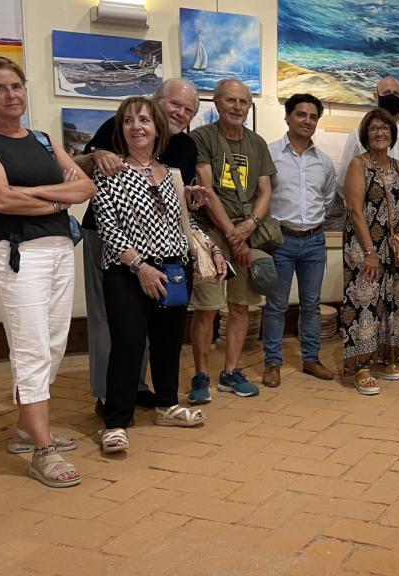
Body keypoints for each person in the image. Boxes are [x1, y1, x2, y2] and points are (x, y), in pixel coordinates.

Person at [0, 56, 95, 487]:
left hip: (57, 247)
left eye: (16, 86)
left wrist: (36, 193)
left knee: (54, 341)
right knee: (31, 344)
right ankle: (42, 449)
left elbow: (85, 187)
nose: (10, 94)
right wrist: (58, 197)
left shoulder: (41, 139)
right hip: (15, 254)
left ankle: (24, 427)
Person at [92, 97, 225, 453]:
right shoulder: (110, 171)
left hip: (173, 269)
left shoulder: (172, 175)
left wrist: (212, 248)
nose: (137, 126)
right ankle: (116, 421)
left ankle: (167, 405)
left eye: (145, 120)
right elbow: (108, 228)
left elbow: (183, 224)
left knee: (168, 343)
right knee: (129, 344)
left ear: (157, 129)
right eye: (129, 121)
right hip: (127, 271)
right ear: (120, 130)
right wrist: (140, 267)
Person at [73, 77, 203, 419]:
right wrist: (97, 154)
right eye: (175, 103)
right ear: (158, 102)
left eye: (188, 109)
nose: (180, 112)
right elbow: (80, 169)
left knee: (160, 329)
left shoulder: (186, 149)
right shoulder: (120, 127)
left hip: (163, 248)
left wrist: (189, 201)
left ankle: (144, 390)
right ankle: (109, 397)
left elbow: (175, 202)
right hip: (109, 239)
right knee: (115, 325)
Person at [188, 78, 277, 402]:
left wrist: (249, 226)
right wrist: (231, 234)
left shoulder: (257, 144)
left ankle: (231, 371)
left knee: (241, 306)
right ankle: (200, 375)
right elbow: (207, 189)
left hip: (248, 233)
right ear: (217, 103)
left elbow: (265, 190)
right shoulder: (202, 138)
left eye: (242, 101)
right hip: (213, 234)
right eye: (230, 101)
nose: (237, 107)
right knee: (207, 307)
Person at [261, 93, 337, 387]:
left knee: (311, 304)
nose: (307, 121)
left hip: (315, 242)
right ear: (288, 117)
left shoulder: (324, 162)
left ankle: (310, 359)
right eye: (301, 115)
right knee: (277, 305)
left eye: (313, 116)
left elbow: (328, 199)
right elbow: (261, 195)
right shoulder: (270, 154)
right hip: (281, 241)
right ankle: (272, 363)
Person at [339, 108, 399, 394]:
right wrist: (370, 250)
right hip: (364, 245)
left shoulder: (397, 166)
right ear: (365, 134)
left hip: (394, 248)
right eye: (374, 128)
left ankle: (386, 358)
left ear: (392, 134)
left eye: (385, 128)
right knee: (365, 304)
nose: (380, 132)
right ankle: (361, 369)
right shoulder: (358, 164)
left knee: (393, 301)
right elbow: (355, 210)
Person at [337, 76, 399, 196]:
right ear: (376, 96)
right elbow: (343, 181)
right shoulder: (358, 133)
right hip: (366, 208)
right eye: (387, 93)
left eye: (396, 94)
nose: (392, 97)